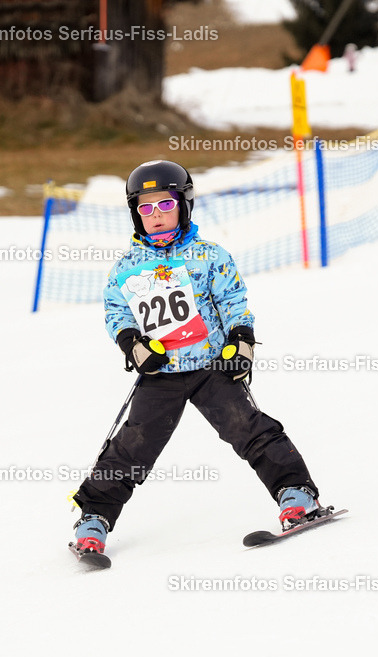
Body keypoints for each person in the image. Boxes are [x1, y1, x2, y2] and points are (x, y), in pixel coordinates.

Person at [70, 160, 324, 557]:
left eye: (165, 205)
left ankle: (296, 493)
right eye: (145, 208)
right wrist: (133, 344)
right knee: (133, 445)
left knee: (249, 429)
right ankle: (94, 518)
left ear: (184, 205)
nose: (155, 215)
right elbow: (116, 313)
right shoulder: (126, 267)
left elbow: (234, 303)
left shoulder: (210, 256)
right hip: (161, 373)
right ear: (134, 212)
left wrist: (241, 343)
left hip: (211, 367)